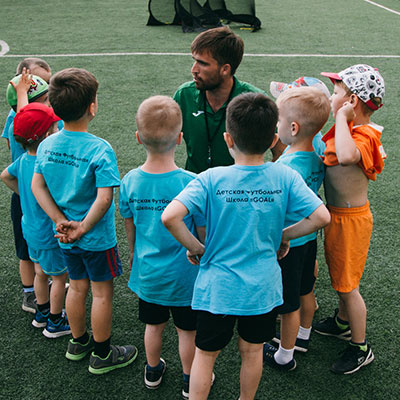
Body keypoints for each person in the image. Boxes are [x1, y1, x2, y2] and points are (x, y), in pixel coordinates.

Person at [161, 92, 330, 400]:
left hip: (217, 289)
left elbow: (170, 217)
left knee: (205, 355)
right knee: (252, 352)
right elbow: (321, 216)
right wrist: (285, 236)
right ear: (272, 139)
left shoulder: (211, 178)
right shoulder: (286, 175)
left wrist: (197, 247)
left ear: (228, 139)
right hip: (262, 290)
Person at [31, 68, 138, 374]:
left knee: (76, 287)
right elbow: (105, 199)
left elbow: (37, 186)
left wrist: (60, 221)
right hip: (95, 239)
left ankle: (78, 342)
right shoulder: (99, 148)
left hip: (64, 236)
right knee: (102, 292)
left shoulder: (47, 144)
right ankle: (103, 354)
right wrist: (82, 227)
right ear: (93, 106)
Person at [119, 95, 206, 397]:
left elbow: (130, 229)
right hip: (186, 276)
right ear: (181, 138)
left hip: (149, 273)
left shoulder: (129, 181)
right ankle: (188, 379)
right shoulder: (193, 182)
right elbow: (202, 232)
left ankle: (153, 371)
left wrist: (133, 255)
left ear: (137, 137)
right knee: (187, 330)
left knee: (153, 327)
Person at [313, 64, 386, 374]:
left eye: (336, 93)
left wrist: (342, 119)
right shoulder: (353, 132)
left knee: (347, 286)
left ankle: (360, 347)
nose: (331, 97)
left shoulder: (363, 135)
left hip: (350, 222)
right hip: (339, 217)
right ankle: (343, 323)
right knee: (341, 276)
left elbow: (346, 157)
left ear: (352, 102)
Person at [263, 87, 330, 370]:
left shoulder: (287, 166)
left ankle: (285, 355)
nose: (276, 127)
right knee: (306, 289)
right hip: (309, 240)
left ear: (292, 127)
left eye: (278, 121)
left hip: (290, 244)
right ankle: (303, 335)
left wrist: (282, 236)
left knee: (288, 304)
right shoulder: (318, 153)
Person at [1, 103, 70, 338]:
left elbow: (5, 176)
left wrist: (24, 193)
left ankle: (41, 314)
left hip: (29, 229)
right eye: (54, 126)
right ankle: (55, 321)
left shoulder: (22, 161)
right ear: (48, 134)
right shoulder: (46, 164)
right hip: (47, 232)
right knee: (59, 278)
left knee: (40, 273)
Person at [173, 26, 265, 173]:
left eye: (202, 63)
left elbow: (280, 150)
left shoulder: (254, 101)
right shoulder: (184, 95)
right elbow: (161, 141)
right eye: (194, 61)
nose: (194, 70)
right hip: (196, 188)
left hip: (237, 190)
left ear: (225, 69)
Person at [2, 63, 51, 314]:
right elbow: (25, 118)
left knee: (34, 248)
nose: (49, 103)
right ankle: (29, 293)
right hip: (30, 194)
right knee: (26, 251)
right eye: (45, 99)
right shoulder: (27, 123)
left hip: (24, 190)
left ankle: (40, 283)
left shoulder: (16, 119)